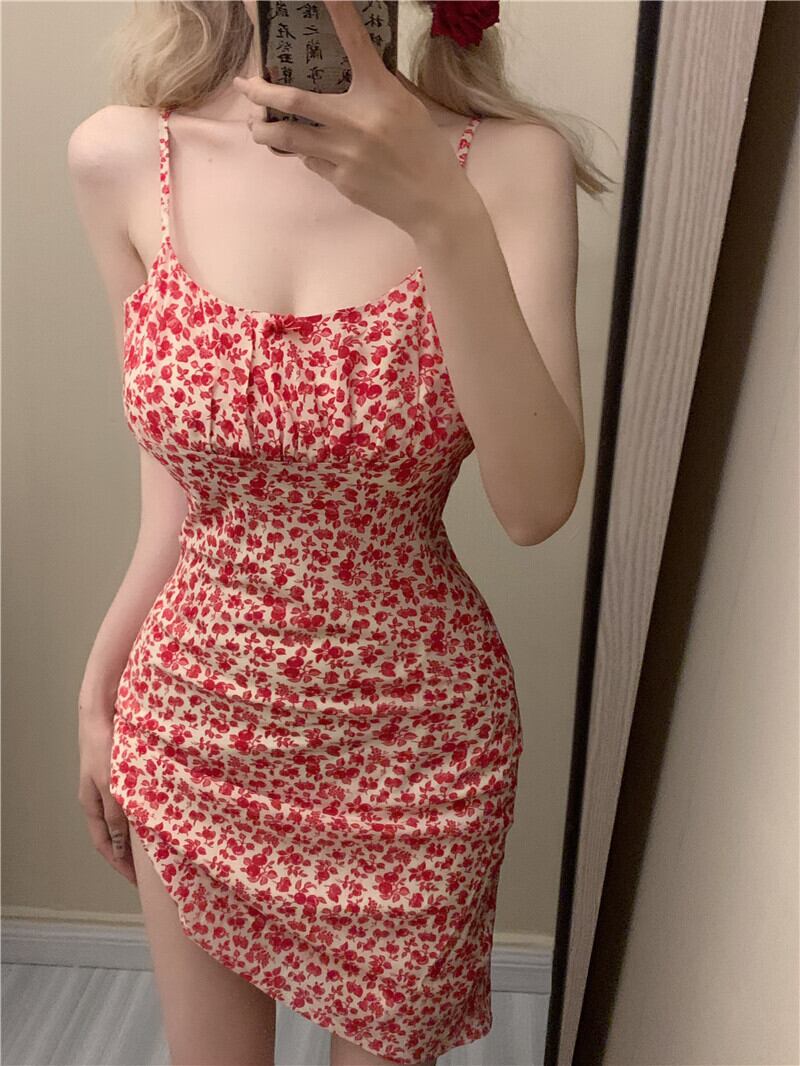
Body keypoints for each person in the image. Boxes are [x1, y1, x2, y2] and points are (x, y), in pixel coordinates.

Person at [69, 2, 603, 1063]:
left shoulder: (508, 166)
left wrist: (439, 207)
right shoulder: (122, 158)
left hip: (416, 747)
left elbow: (535, 504)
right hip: (193, 722)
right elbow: (177, 501)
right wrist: (98, 696)